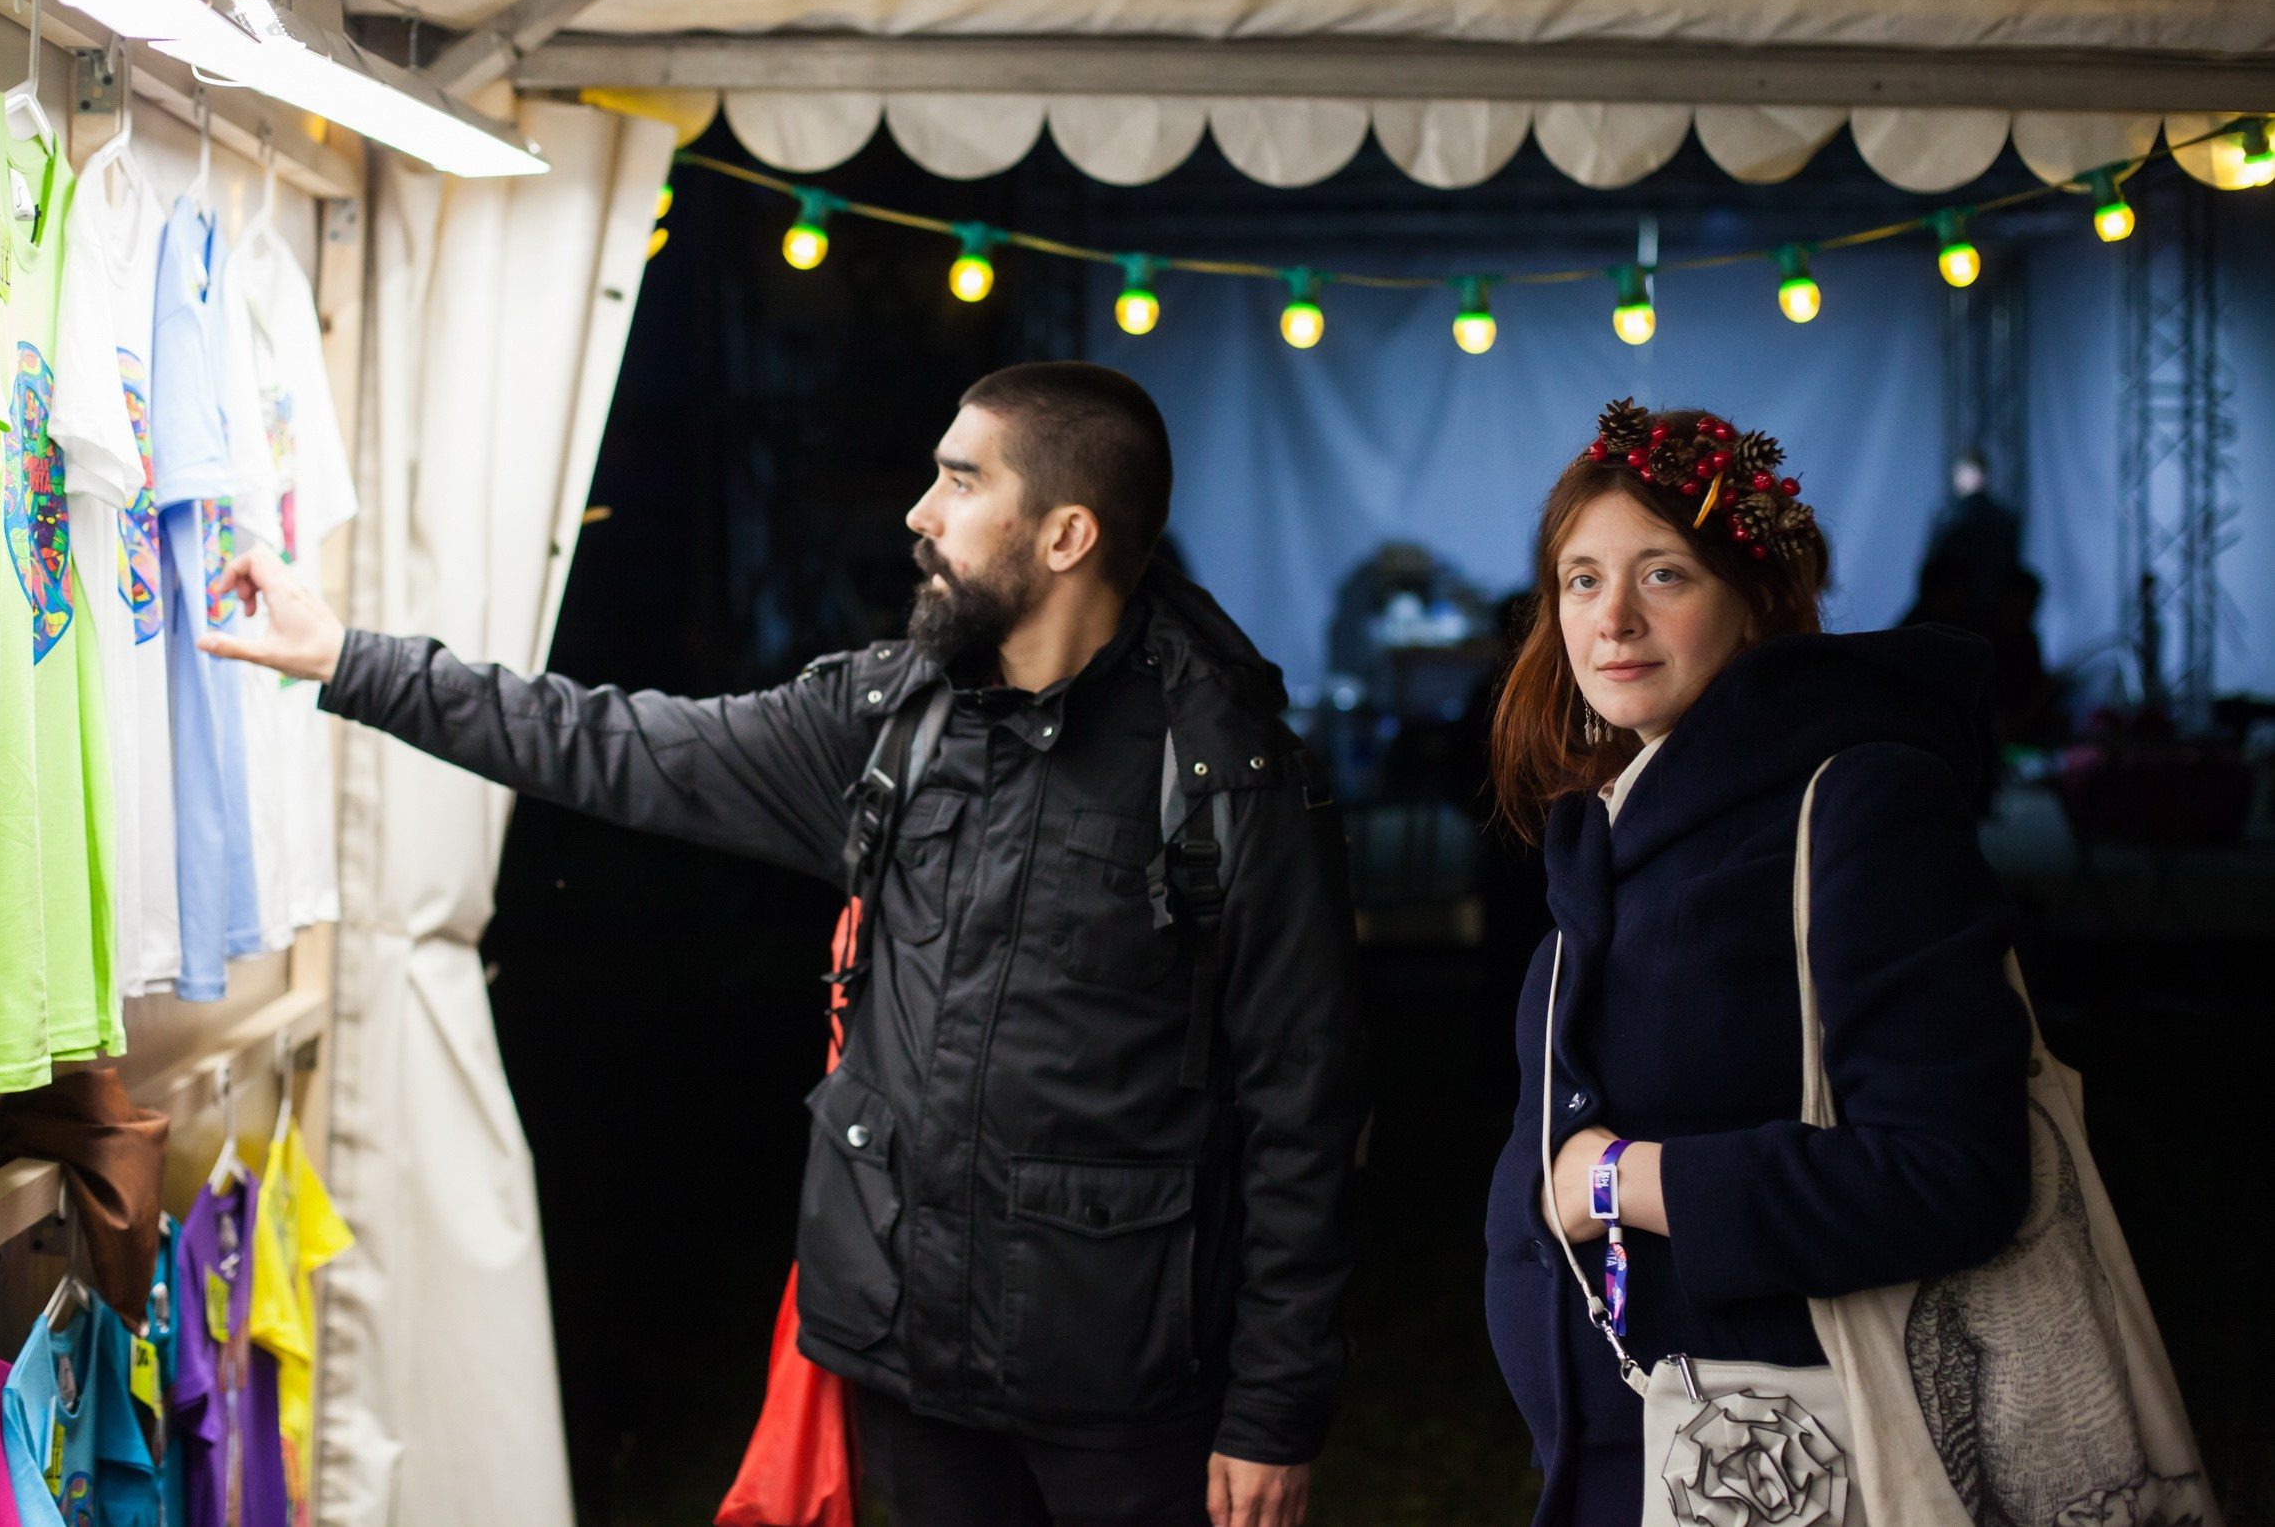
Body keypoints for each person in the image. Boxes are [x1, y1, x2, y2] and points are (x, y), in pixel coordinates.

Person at [204, 362, 1364, 1527]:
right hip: (904, 1372)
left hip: (1131, 1391)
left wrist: (1272, 1408)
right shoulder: (887, 721)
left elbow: (1302, 1112)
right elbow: (611, 740)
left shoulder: (1228, 779)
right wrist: (350, 659)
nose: (920, 511)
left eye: (959, 480)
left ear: (1065, 534)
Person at [1479, 400, 2030, 1523]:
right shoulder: (1617, 817)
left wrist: (1618, 1180)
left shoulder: (1857, 806)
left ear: (1753, 605)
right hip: (1638, 1457)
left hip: (1799, 1465)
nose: (1612, 618)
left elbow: (1951, 1172)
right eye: (1580, 579)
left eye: (1664, 574)